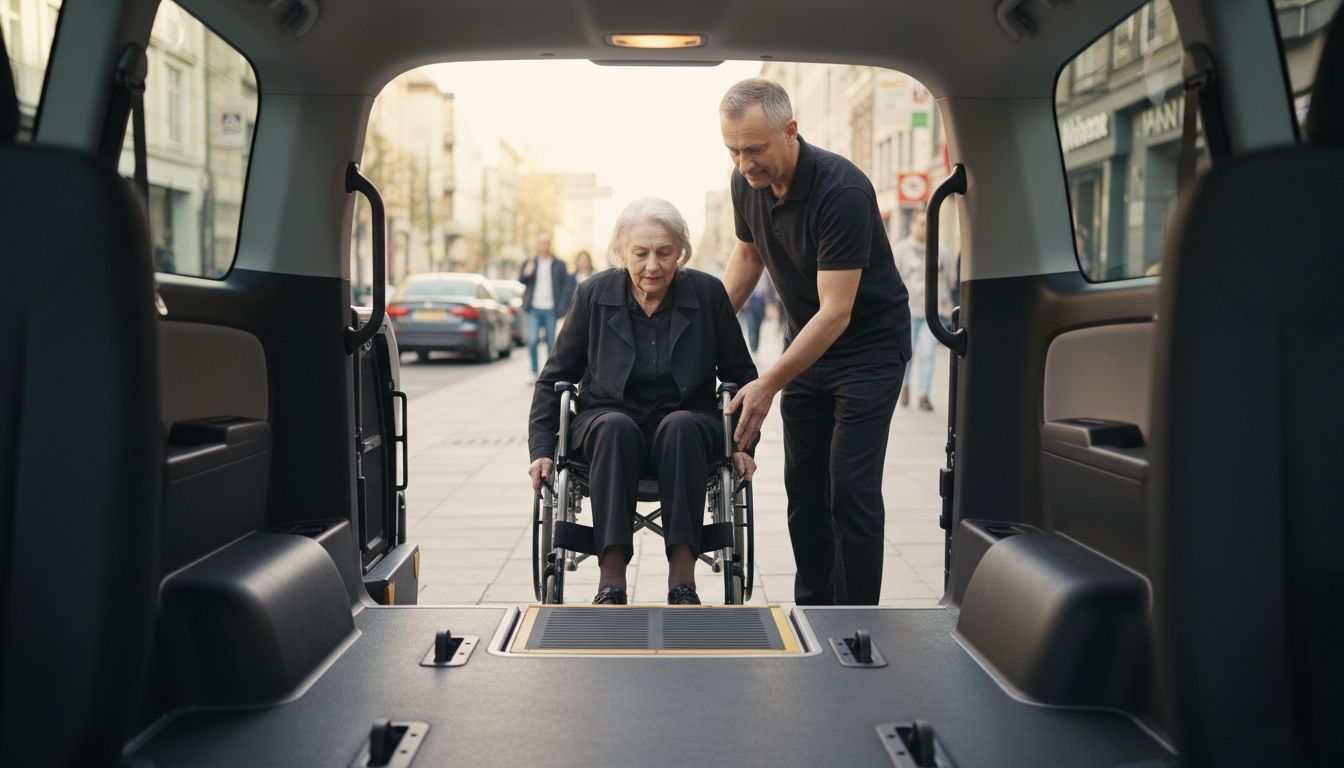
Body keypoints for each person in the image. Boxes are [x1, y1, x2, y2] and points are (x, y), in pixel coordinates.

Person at [718, 78, 911, 606]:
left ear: (790, 131)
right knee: (805, 490)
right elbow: (748, 257)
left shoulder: (840, 190)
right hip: (808, 349)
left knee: (849, 487)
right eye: (732, 150)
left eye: (754, 149)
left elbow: (836, 311)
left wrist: (768, 383)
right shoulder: (745, 183)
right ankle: (814, 609)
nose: (743, 164)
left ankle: (856, 618)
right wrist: (701, 325)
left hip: (867, 351)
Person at [527, 198, 759, 606]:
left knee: (681, 425)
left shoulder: (707, 295)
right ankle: (611, 578)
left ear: (681, 253)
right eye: (641, 253)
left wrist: (742, 447)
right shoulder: (593, 294)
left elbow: (742, 377)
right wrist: (543, 450)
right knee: (615, 427)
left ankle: (682, 580)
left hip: (688, 426)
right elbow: (554, 378)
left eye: (664, 253)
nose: (652, 265)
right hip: (607, 425)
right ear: (622, 253)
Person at [891, 209, 953, 411]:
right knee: (906, 354)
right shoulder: (900, 251)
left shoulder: (941, 251)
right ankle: (905, 387)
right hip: (906, 314)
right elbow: (891, 281)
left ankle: (924, 394)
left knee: (927, 353)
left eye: (927, 223)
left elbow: (949, 280)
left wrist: (946, 302)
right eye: (920, 223)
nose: (923, 227)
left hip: (931, 315)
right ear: (912, 225)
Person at [518, 233, 573, 379]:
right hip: (533, 308)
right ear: (538, 244)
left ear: (550, 244)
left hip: (550, 309)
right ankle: (534, 371)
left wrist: (562, 307)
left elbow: (565, 287)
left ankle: (548, 373)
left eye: (546, 242)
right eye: (541, 242)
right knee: (533, 340)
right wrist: (526, 272)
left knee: (550, 342)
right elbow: (521, 280)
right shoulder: (531, 262)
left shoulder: (559, 264)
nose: (544, 245)